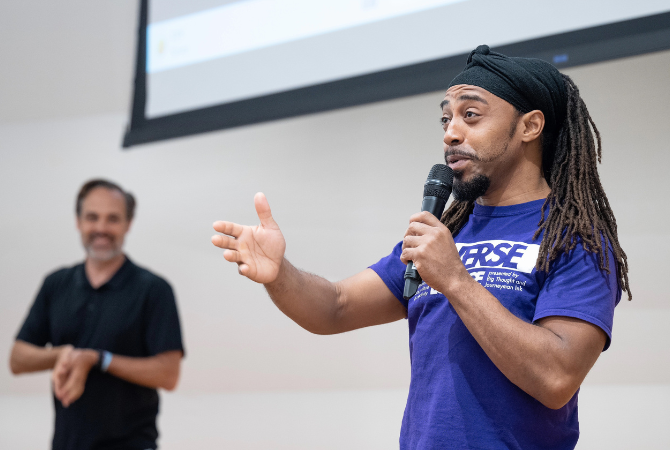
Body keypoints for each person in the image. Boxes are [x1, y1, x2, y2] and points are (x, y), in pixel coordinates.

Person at [210, 45, 630, 449]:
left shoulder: (574, 238)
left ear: (529, 126)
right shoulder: (446, 232)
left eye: (470, 115)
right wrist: (280, 273)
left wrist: (455, 281)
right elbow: (335, 306)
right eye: (446, 119)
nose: (451, 133)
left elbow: (557, 378)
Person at [10, 179, 184, 450]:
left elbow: (168, 374)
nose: (101, 228)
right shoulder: (56, 284)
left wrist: (98, 359)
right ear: (78, 221)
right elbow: (17, 359)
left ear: (128, 224)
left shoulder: (153, 289)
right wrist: (63, 354)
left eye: (113, 219)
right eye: (92, 217)